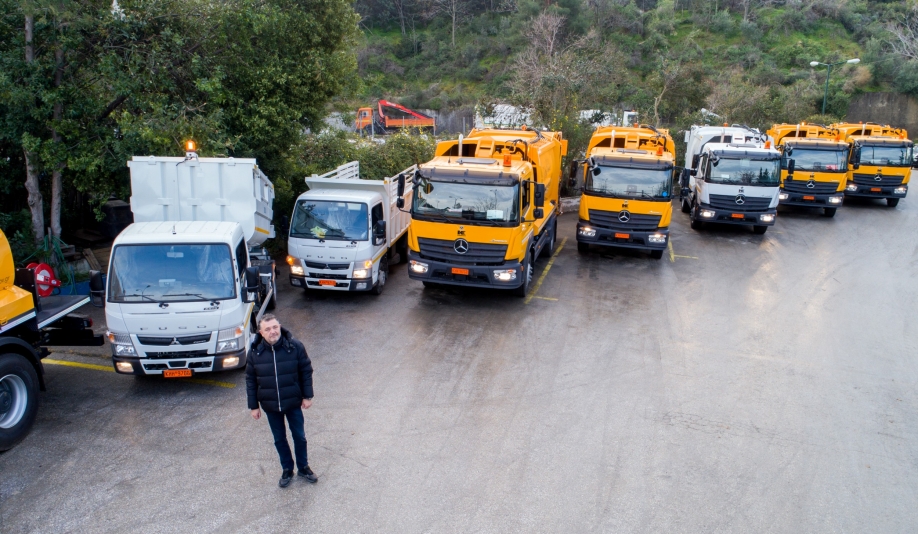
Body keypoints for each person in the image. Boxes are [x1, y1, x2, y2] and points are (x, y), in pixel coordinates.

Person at [246, 313, 317, 487]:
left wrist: (307, 396)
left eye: (275, 327)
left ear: (280, 326)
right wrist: (253, 406)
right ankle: (287, 469)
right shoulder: (255, 353)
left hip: (293, 402)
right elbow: (250, 380)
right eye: (268, 329)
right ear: (261, 333)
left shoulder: (295, 346)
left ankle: (303, 467)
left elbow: (306, 371)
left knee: (299, 436)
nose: (273, 331)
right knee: (279, 439)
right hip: (270, 405)